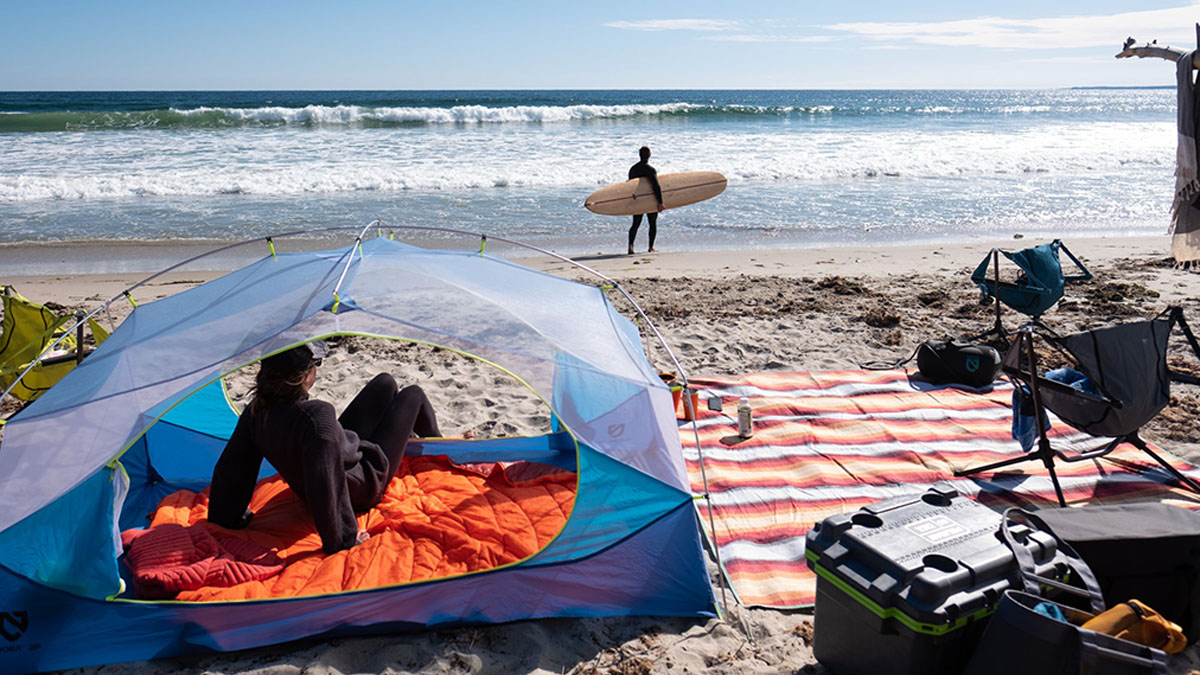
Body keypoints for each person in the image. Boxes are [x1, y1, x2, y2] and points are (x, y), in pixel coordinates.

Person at [208, 341, 443, 554]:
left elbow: (235, 466)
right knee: (413, 394)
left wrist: (226, 515)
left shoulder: (257, 411)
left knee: (386, 383)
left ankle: (412, 435)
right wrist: (344, 538)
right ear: (302, 377)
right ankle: (445, 447)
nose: (317, 369)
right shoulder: (317, 416)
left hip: (325, 470)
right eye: (315, 364)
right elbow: (325, 479)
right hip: (365, 482)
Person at [628, 146, 665, 255]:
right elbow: (656, 186)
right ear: (649, 155)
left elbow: (630, 186)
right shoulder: (650, 170)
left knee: (635, 224)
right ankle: (650, 247)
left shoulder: (633, 169)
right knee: (652, 223)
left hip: (638, 199)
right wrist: (660, 202)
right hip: (650, 199)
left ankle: (631, 246)